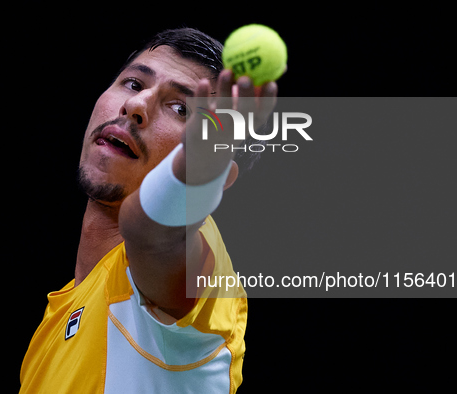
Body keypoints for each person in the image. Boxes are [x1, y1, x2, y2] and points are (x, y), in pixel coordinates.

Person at [19, 27, 279, 393]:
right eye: (133, 84)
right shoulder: (55, 317)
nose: (137, 106)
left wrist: (184, 184)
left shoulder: (202, 272)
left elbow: (152, 236)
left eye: (180, 109)